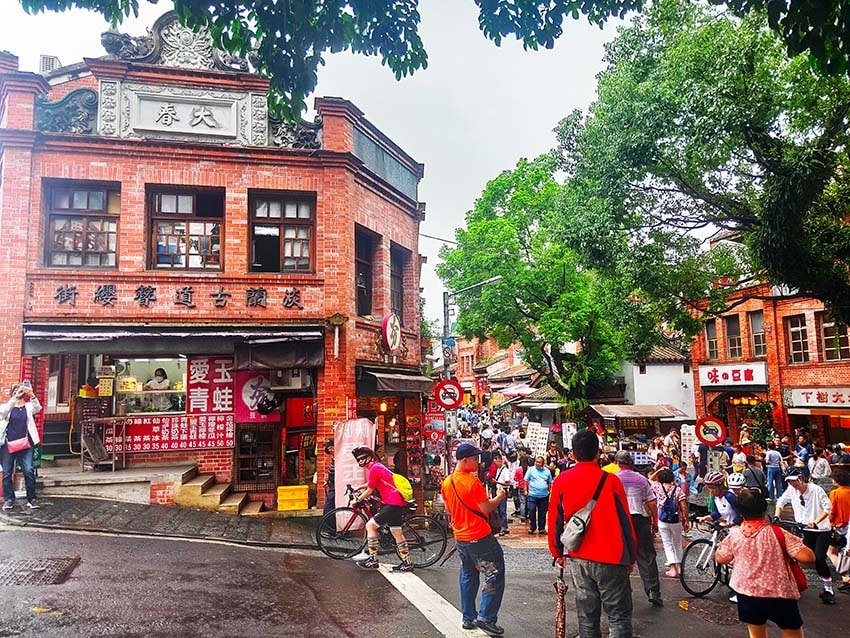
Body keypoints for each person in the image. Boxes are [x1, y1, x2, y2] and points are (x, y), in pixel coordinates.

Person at [548, 430, 637, 638]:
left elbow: (554, 520)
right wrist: (631, 556)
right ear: (598, 453)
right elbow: (626, 522)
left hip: (579, 555)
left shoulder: (562, 480)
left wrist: (557, 552)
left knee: (587, 617)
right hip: (613, 556)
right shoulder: (612, 481)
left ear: (573, 455)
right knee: (619, 617)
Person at [715, 488, 815, 638]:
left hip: (747, 593)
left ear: (740, 513)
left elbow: (721, 558)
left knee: (756, 633)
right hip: (780, 594)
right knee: (792, 632)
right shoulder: (779, 533)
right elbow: (808, 557)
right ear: (764, 509)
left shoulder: (734, 536)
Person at [441, 443, 507, 637]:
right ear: (465, 460)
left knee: (468, 574)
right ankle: (486, 617)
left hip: (461, 537)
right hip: (479, 538)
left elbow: (448, 509)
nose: (478, 462)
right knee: (494, 573)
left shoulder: (447, 482)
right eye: (475, 458)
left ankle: (468, 617)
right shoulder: (472, 483)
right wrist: (500, 497)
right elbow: (486, 508)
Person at [774, 470, 835, 604]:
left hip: (821, 530)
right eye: (790, 481)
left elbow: (828, 508)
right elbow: (781, 501)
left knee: (819, 558)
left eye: (794, 480)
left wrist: (816, 522)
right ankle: (794, 583)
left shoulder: (816, 490)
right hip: (804, 528)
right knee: (799, 556)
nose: (793, 483)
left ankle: (828, 589)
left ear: (801, 478)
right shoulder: (791, 490)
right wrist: (777, 515)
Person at [350, 446, 414, 572]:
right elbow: (372, 483)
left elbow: (370, 490)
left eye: (363, 458)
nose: (361, 461)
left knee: (370, 526)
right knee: (397, 532)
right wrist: (359, 488)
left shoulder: (375, 468)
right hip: (396, 501)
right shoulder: (377, 467)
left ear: (369, 457)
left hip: (392, 502)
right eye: (359, 459)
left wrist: (357, 500)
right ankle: (408, 562)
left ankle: (373, 560)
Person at [615, 450, 662, 607]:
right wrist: (654, 521)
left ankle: (623, 591)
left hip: (619, 521)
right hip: (639, 520)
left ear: (617, 463)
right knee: (647, 555)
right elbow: (651, 502)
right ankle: (653, 591)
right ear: (632, 463)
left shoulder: (613, 479)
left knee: (620, 555)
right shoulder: (641, 479)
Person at [1, 382, 43, 510]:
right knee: (7, 473)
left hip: (25, 444)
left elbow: (38, 408)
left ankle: (32, 499)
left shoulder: (28, 407)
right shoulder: (6, 406)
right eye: (15, 392)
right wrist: (15, 398)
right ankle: (9, 499)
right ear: (12, 394)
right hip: (8, 444)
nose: (18, 394)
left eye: (20, 392)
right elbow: (4, 412)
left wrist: (32, 395)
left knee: (29, 470)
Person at [649, 467, 689, 577]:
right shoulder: (678, 489)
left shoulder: (657, 487)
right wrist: (686, 520)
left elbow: (650, 479)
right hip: (676, 520)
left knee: (667, 544)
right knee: (677, 543)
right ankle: (680, 567)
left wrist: (659, 470)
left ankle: (672, 569)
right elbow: (684, 506)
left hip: (663, 519)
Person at [827, 468, 850, 593]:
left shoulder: (835, 493)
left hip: (839, 527)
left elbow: (832, 512)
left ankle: (846, 576)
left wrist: (825, 523)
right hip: (849, 526)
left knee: (831, 552)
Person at [524, 455, 553, 534]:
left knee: (542, 513)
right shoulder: (531, 470)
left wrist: (549, 492)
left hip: (544, 496)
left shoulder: (547, 471)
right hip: (533, 495)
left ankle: (541, 528)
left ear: (543, 464)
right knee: (532, 511)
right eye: (536, 462)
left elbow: (550, 482)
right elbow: (526, 480)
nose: (537, 464)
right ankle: (532, 527)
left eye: (539, 462)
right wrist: (525, 490)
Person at [493, 453, 512, 535]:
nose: (496, 463)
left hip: (503, 491)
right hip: (499, 490)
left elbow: (507, 483)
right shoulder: (498, 469)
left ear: (500, 461)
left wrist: (496, 482)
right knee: (499, 509)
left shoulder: (505, 471)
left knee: (502, 510)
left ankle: (503, 527)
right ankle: (504, 526)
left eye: (497, 461)